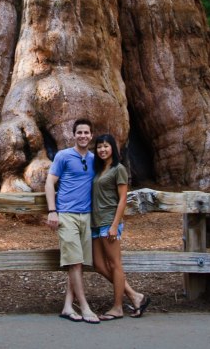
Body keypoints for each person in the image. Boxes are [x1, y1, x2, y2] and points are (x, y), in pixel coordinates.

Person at [91, 134, 150, 320]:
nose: (102, 149)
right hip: (95, 223)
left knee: (115, 264)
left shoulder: (119, 169)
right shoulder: (99, 170)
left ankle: (117, 307)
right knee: (99, 265)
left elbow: (123, 198)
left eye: (106, 146)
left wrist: (115, 225)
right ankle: (134, 295)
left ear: (113, 149)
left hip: (109, 222)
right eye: (99, 146)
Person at [46, 118, 99, 324]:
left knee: (77, 263)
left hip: (86, 216)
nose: (83, 136)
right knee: (75, 262)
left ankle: (68, 306)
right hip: (66, 215)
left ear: (91, 135)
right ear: (73, 135)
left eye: (86, 133)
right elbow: (50, 183)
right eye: (79, 133)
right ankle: (84, 307)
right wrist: (52, 211)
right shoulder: (63, 156)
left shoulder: (95, 158)